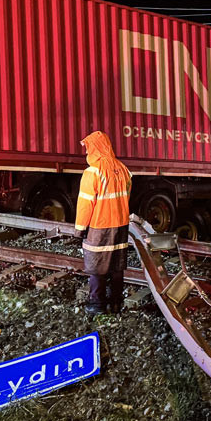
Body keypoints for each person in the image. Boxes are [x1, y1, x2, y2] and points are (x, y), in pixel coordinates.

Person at [75, 130, 133, 315]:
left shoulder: (93, 172)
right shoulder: (123, 169)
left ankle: (96, 304)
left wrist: (79, 229)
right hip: (121, 224)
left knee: (96, 265)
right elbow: (127, 195)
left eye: (88, 147)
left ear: (97, 148)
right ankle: (116, 303)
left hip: (100, 226)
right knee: (117, 265)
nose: (86, 152)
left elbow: (85, 204)